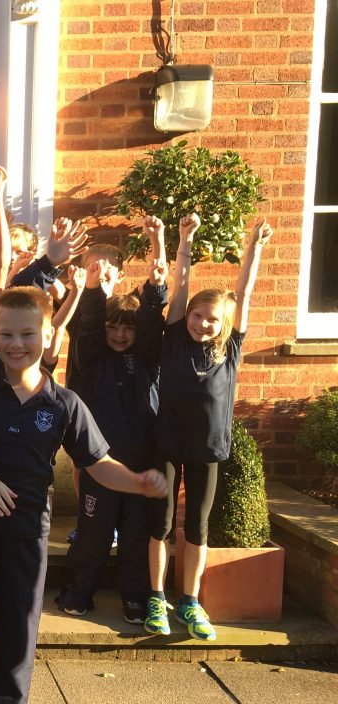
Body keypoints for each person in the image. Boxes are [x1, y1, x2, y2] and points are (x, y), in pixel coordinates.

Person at [0, 286, 169, 704]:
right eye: (6, 334)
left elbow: (99, 464)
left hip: (25, 535)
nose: (16, 344)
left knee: (15, 640)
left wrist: (139, 482)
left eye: (27, 333)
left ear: (48, 334)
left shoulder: (64, 404)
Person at [145, 214, 271, 641]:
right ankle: (156, 597)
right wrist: (184, 241)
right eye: (198, 316)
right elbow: (179, 285)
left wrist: (253, 246)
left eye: (212, 320)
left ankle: (190, 601)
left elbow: (244, 290)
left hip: (207, 448)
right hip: (166, 443)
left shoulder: (231, 348)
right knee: (160, 524)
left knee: (197, 526)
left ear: (225, 324)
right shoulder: (176, 336)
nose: (202, 323)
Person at [56, 217, 169, 623]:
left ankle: (134, 597)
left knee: (136, 534)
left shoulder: (148, 359)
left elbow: (154, 323)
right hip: (100, 464)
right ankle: (79, 590)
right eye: (112, 326)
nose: (120, 334)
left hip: (140, 461)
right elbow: (86, 328)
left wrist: (157, 281)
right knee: (93, 532)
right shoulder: (91, 358)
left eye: (127, 328)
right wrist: (90, 290)